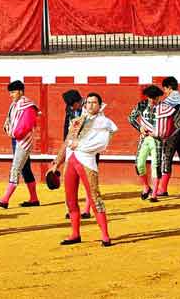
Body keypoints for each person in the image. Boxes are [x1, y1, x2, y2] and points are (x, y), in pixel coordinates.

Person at [49, 93, 118, 246]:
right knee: (70, 199)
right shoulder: (77, 121)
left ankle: (105, 235)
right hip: (70, 161)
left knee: (94, 197)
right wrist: (56, 163)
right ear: (85, 105)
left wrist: (79, 146)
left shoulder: (104, 123)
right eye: (88, 102)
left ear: (100, 105)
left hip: (86, 161)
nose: (91, 105)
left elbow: (102, 144)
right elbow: (67, 142)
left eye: (95, 102)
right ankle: (75, 234)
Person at [0, 81, 41, 209]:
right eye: (10, 92)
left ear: (21, 91)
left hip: (22, 141)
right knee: (25, 169)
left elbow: (26, 126)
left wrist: (16, 133)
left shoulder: (28, 106)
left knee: (15, 168)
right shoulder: (15, 105)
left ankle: (4, 200)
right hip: (16, 139)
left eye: (13, 92)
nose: (11, 95)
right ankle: (34, 199)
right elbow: (10, 119)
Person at [128, 85, 165, 202]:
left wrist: (162, 133)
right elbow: (131, 118)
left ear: (159, 97)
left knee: (156, 165)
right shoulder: (141, 105)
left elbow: (169, 124)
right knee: (139, 164)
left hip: (157, 139)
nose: (152, 101)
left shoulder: (164, 108)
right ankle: (145, 187)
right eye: (150, 98)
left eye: (155, 98)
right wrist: (140, 128)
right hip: (145, 138)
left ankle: (154, 193)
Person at [62, 89, 93, 219]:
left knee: (88, 179)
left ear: (78, 101)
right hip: (72, 147)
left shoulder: (90, 108)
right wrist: (65, 144)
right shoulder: (70, 108)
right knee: (69, 179)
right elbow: (66, 126)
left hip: (87, 148)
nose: (70, 107)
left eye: (72, 105)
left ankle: (86, 210)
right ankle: (71, 209)